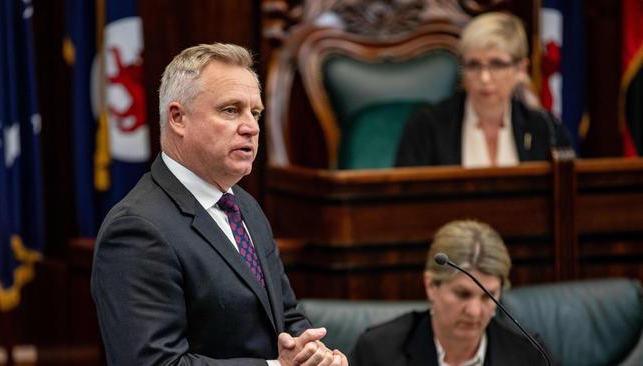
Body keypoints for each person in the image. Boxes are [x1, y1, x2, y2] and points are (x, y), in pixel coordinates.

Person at [91, 43, 348, 366]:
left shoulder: (244, 205)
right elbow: (153, 363)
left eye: (255, 113)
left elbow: (285, 316)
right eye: (231, 110)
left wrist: (313, 355)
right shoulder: (137, 228)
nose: (251, 127)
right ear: (178, 118)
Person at [351, 220, 551, 366]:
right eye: (463, 294)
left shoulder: (528, 353)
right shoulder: (379, 351)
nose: (474, 312)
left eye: (487, 296)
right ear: (431, 286)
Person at [395, 12, 571, 168]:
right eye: (473, 65)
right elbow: (405, 200)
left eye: (497, 64)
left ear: (521, 69)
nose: (484, 78)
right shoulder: (427, 126)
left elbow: (568, 193)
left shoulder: (545, 128)